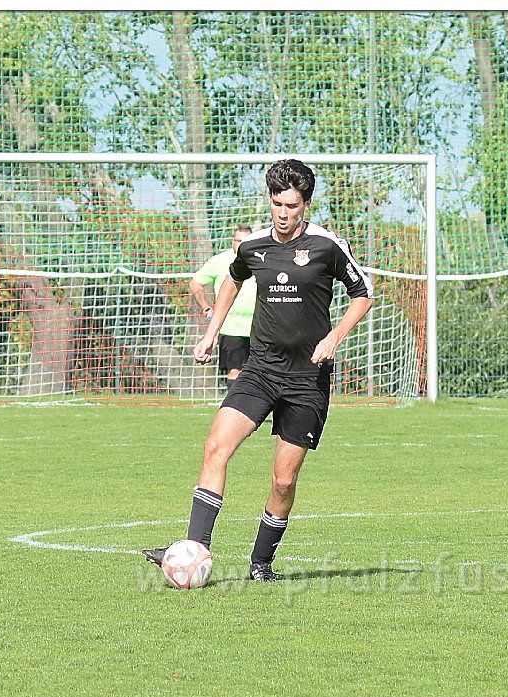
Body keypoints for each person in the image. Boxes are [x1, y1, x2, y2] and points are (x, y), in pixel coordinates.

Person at [144, 159, 375, 580]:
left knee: (283, 481)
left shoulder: (327, 245)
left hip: (306, 380)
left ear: (306, 205)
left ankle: (261, 563)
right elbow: (232, 280)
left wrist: (334, 337)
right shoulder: (253, 247)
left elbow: (363, 293)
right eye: (277, 204)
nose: (283, 214)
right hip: (260, 371)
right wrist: (212, 332)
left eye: (292, 205)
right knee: (216, 447)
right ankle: (195, 549)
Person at [187, 225, 256, 392]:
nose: (241, 244)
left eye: (245, 241)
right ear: (232, 241)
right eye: (238, 241)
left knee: (260, 373)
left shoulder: (260, 258)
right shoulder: (220, 260)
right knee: (235, 370)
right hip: (231, 328)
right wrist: (205, 306)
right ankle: (234, 405)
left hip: (260, 327)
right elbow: (195, 283)